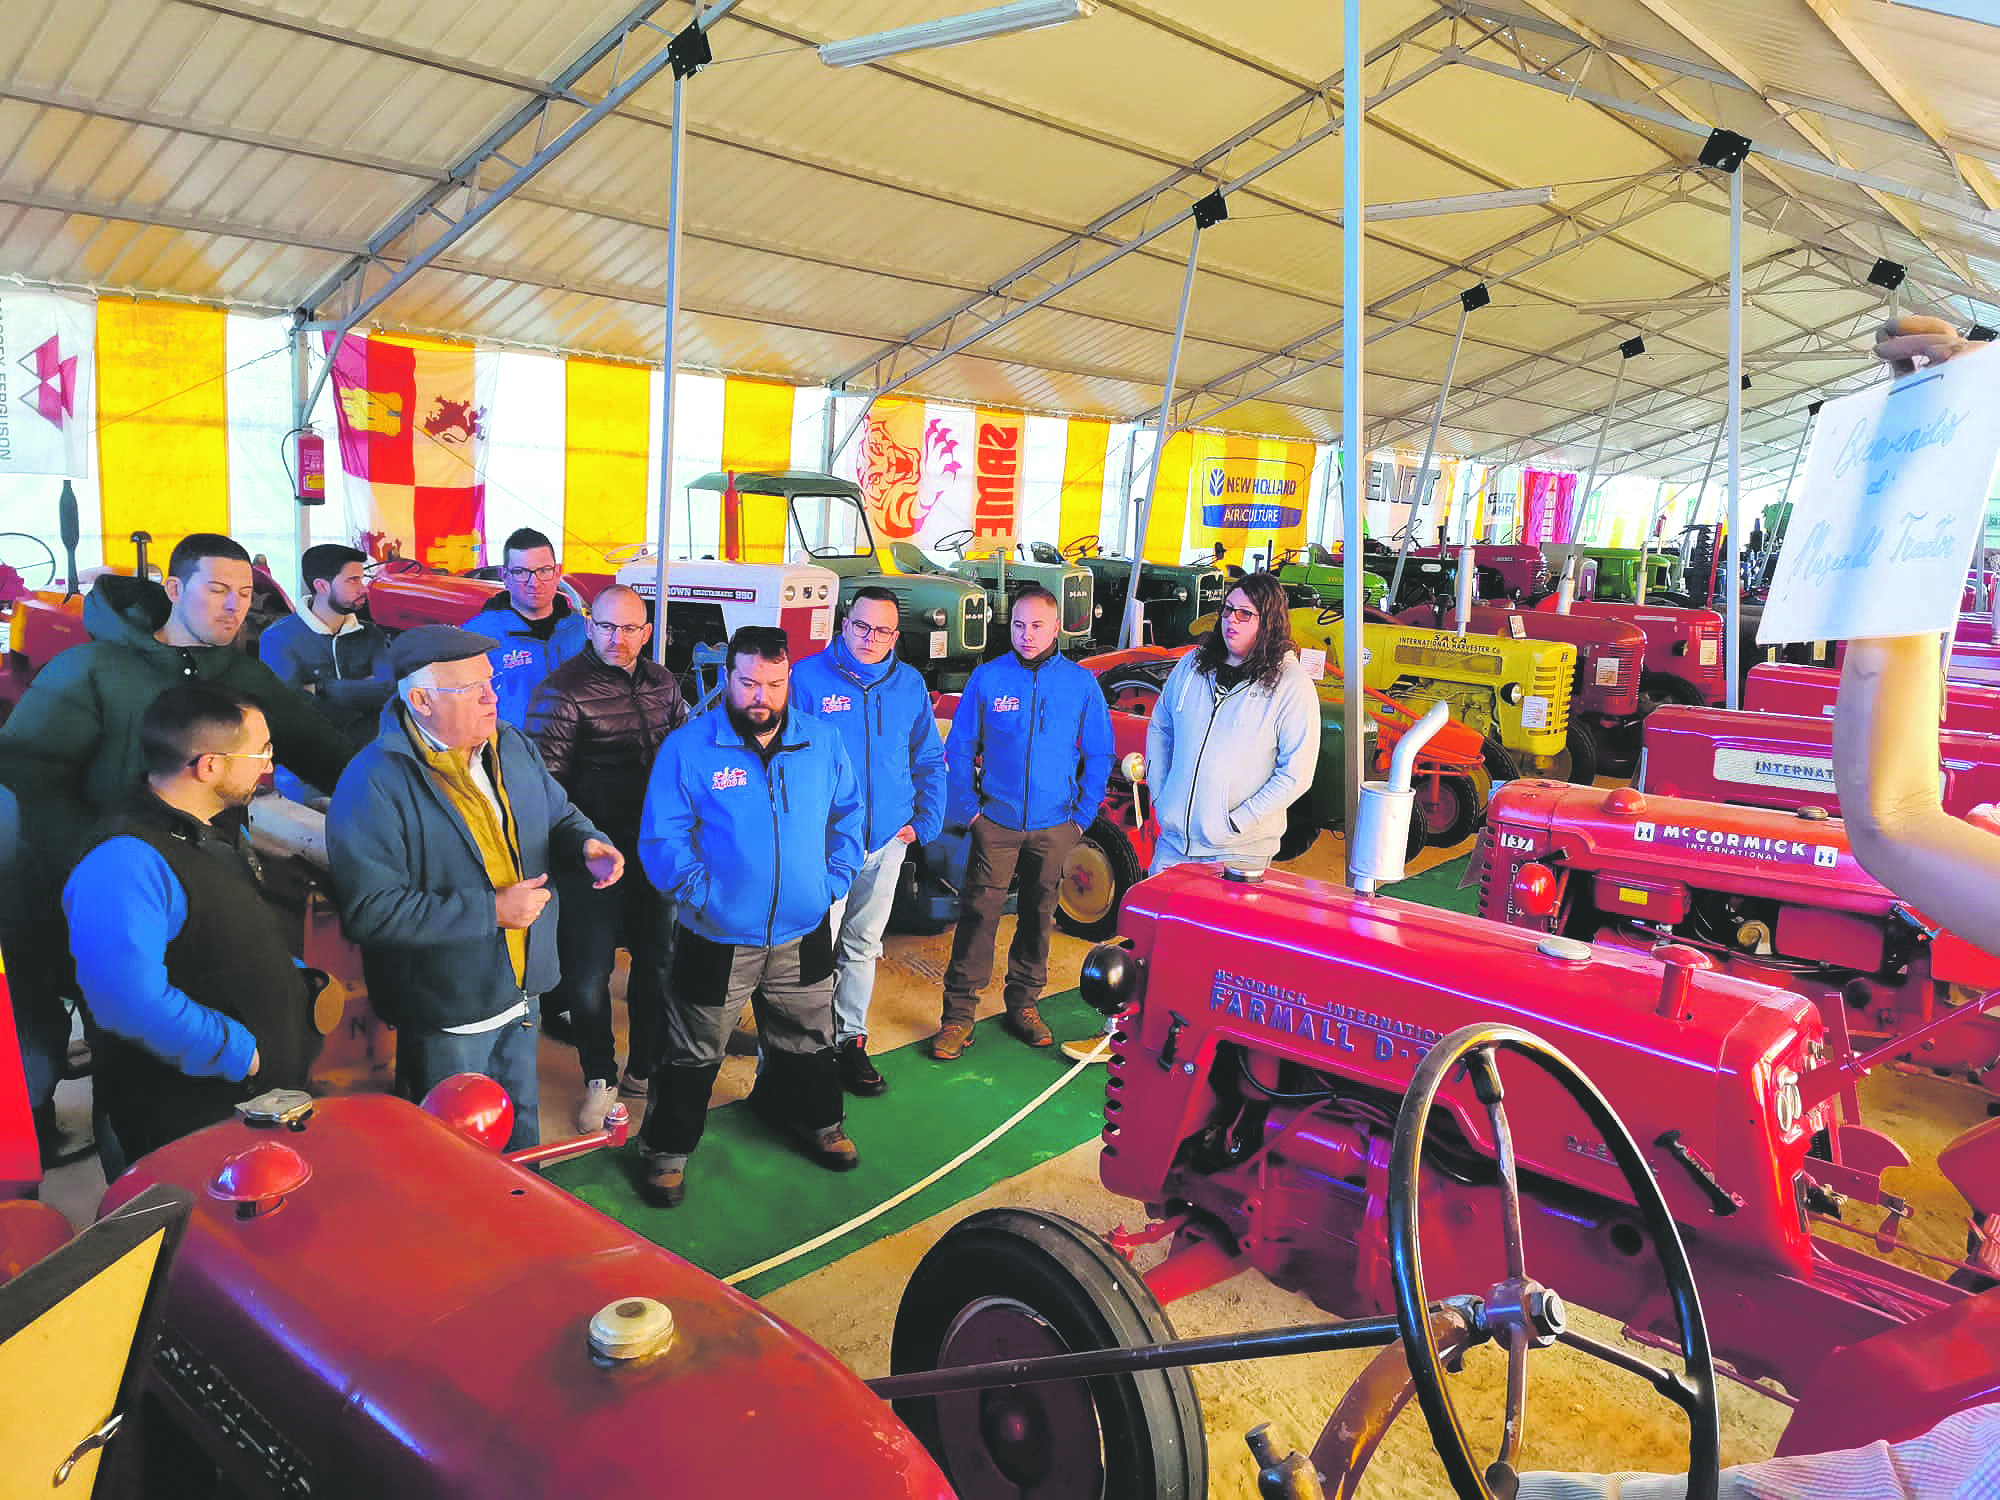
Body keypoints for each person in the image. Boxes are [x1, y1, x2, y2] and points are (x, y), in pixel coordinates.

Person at [0, 532, 352, 1169]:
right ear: (173, 590)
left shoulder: (240, 675)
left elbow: (322, 751)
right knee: (125, 1037)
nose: (233, 607)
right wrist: (96, 861)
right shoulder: (93, 670)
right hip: (109, 882)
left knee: (211, 1005)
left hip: (206, 872)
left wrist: (397, 788)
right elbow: (29, 773)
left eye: (245, 594)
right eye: (217, 590)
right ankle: (122, 1169)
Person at [326, 625, 623, 1151]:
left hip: (521, 984)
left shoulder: (509, 745)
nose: (496, 696)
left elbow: (559, 812)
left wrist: (588, 843)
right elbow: (371, 911)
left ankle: (524, 1216)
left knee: (520, 1128)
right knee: (454, 1146)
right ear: (421, 701)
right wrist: (493, 911)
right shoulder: (372, 783)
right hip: (448, 1005)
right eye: (475, 689)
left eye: (492, 681)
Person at [633, 625, 864, 1207]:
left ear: (790, 679)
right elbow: (663, 837)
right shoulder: (690, 747)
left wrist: (830, 884)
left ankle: (817, 1123)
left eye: (776, 683)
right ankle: (666, 1151)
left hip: (804, 929)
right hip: (716, 935)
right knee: (693, 1050)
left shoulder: (822, 742)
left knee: (811, 1038)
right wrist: (702, 894)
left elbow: (849, 818)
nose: (762, 695)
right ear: (728, 677)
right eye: (749, 682)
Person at [62, 683, 318, 1159]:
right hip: (190, 1122)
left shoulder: (212, 829)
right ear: (210, 766)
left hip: (247, 1103)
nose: (269, 765)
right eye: (261, 751)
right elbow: (127, 1001)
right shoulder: (125, 863)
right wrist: (237, 1052)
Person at [527, 585, 686, 1131]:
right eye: (608, 627)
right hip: (591, 860)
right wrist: (583, 847)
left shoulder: (665, 684)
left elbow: (683, 760)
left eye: (631, 629)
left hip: (653, 856)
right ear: (590, 626)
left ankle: (644, 1066)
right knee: (589, 975)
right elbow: (544, 790)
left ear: (647, 632)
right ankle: (600, 1075)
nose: (619, 640)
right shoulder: (562, 692)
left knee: (656, 964)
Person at [933, 586, 1113, 1060]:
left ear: (1057, 628)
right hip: (996, 822)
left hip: (1056, 827)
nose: (1026, 635)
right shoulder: (988, 678)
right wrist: (971, 811)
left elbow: (1099, 753)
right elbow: (958, 746)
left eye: (1036, 626)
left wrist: (1080, 818)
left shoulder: (1079, 684)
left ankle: (1024, 1006)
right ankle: (958, 1017)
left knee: (1039, 916)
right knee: (977, 917)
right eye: (1017, 625)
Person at [792, 586, 947, 1096]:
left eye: (881, 631)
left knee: (862, 944)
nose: (869, 638)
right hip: (825, 844)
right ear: (844, 623)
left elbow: (928, 759)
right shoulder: (808, 679)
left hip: (887, 841)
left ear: (895, 636)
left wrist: (922, 825)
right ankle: (804, 1046)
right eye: (861, 626)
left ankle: (850, 1041)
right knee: (812, 949)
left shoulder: (909, 686)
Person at [1143, 571, 1320, 875]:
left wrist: (1239, 821)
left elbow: (1295, 774)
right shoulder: (1192, 665)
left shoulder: (1291, 684)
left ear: (1268, 622)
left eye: (1244, 614)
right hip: (1173, 844)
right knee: (1159, 921)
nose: (1231, 620)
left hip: (1237, 853)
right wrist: (1161, 794)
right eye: (1227, 609)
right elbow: (1161, 728)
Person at [257, 542, 394, 799]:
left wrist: (322, 687)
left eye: (362, 578)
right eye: (352, 580)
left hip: (366, 762)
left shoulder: (372, 635)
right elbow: (290, 707)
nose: (363, 588)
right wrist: (363, 693)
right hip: (305, 772)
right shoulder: (279, 638)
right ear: (321, 586)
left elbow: (388, 689)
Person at [474, 526, 589, 729]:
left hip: (577, 753)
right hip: (511, 756)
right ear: (505, 575)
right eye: (520, 572)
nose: (533, 583)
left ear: (558, 572)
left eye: (543, 571)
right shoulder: (476, 638)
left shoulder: (584, 632)